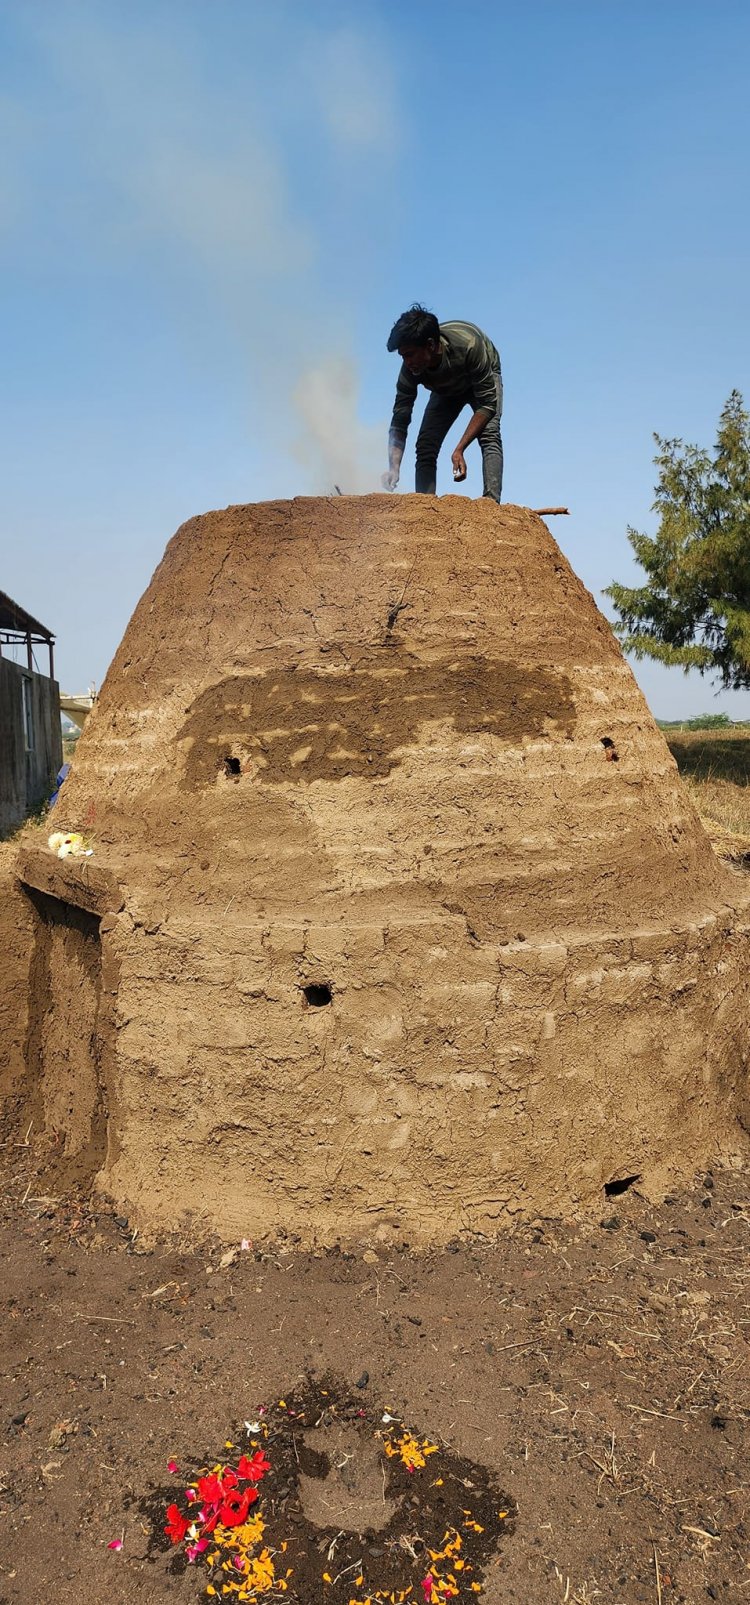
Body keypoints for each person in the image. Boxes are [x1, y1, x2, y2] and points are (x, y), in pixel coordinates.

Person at [382, 305, 503, 501]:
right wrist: (393, 468)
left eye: (410, 354)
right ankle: (424, 505)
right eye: (402, 356)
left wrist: (460, 448)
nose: (407, 362)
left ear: (430, 345)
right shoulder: (409, 371)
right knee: (425, 445)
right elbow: (400, 420)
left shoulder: (470, 346)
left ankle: (491, 503)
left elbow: (488, 405)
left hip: (480, 378)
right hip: (446, 390)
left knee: (489, 434)